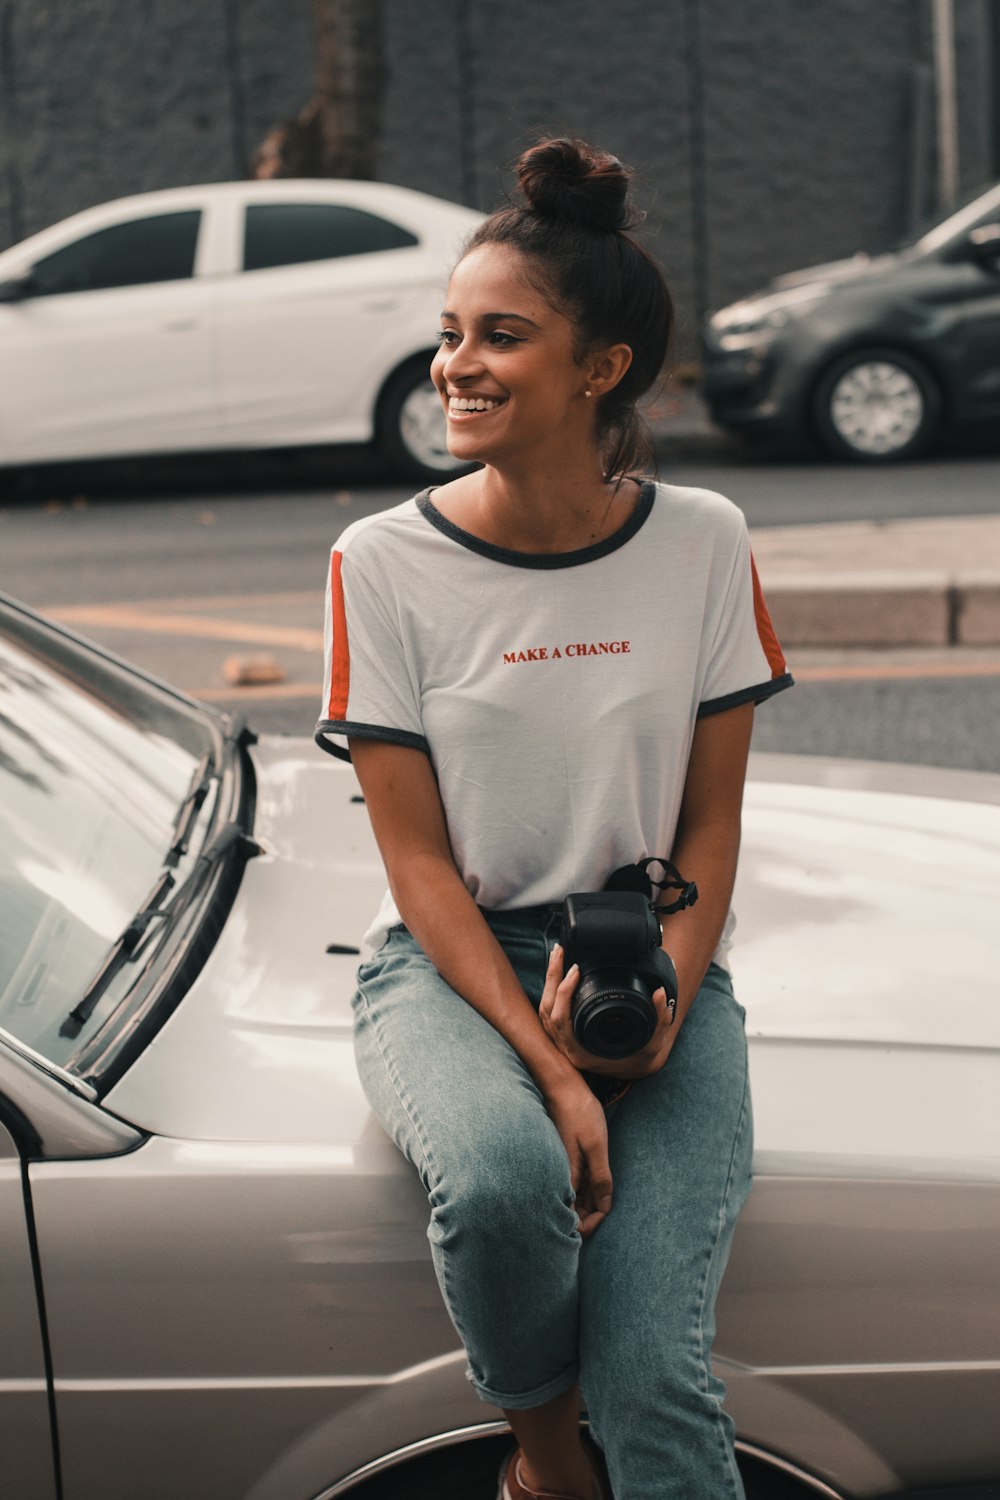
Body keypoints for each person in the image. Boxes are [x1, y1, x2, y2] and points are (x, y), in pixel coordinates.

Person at [316, 137, 793, 1500]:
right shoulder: (381, 562)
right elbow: (415, 860)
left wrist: (661, 1014)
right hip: (453, 962)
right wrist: (557, 1069)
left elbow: (711, 830)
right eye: (449, 334)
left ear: (602, 371)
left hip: (657, 954)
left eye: (500, 337)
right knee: (503, 1177)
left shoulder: (705, 539)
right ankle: (545, 1472)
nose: (455, 365)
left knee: (656, 1374)